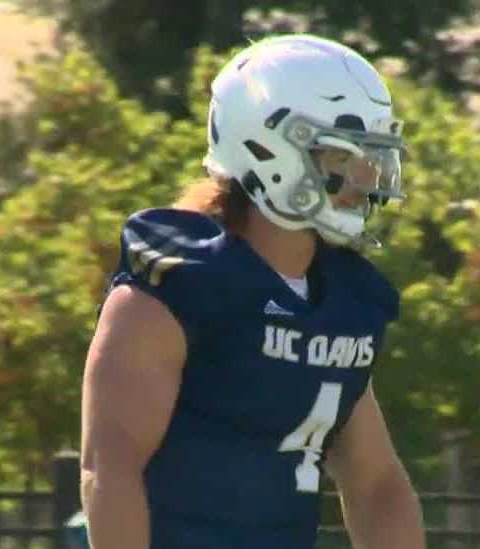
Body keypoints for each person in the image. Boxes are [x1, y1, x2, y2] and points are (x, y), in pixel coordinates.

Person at [80, 35, 426, 549]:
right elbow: (109, 471)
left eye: (371, 155)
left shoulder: (341, 300)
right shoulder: (180, 283)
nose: (366, 175)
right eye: (342, 155)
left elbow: (376, 483)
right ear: (266, 147)